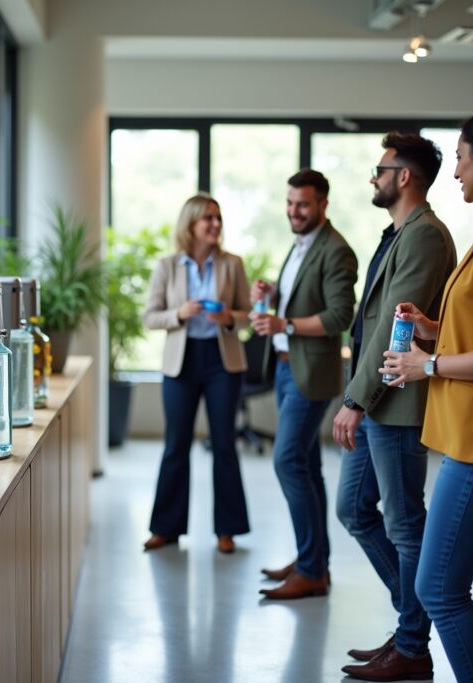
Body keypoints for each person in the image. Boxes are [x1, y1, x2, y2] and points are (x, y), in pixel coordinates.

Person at [381, 103, 473, 683]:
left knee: (437, 590)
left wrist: (428, 363)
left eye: (460, 158)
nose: (455, 171)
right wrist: (436, 328)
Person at [334, 133, 457, 682]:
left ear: (404, 176)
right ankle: (412, 618)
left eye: (380, 169)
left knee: (405, 525)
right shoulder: (400, 232)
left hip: (397, 401)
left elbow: (393, 324)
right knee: (354, 510)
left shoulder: (425, 235)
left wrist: (356, 399)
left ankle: (412, 645)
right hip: (378, 401)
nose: (373, 177)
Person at [252, 169, 357, 599]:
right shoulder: (299, 244)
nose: (294, 211)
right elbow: (301, 299)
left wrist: (285, 324)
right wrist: (273, 295)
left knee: (287, 461)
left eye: (303, 204)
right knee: (307, 467)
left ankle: (312, 569)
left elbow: (339, 316)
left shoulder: (336, 250)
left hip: (309, 374)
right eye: (290, 203)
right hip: (284, 367)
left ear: (322, 205)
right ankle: (312, 561)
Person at [142, 193, 251, 554]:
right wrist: (180, 313)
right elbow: (149, 317)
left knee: (224, 444)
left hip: (222, 362)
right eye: (208, 218)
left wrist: (228, 317)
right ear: (191, 224)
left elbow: (248, 316)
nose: (216, 224)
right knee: (176, 445)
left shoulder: (232, 264)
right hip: (182, 361)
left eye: (218, 218)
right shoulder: (168, 266)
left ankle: (227, 530)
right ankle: (166, 528)